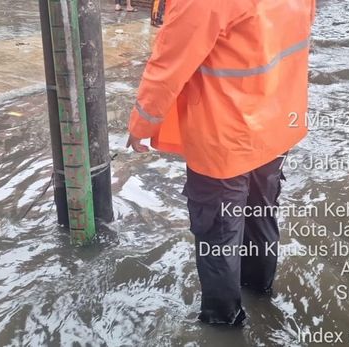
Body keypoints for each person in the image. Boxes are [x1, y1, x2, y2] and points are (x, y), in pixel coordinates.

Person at [126, 0, 316, 326]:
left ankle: (222, 325)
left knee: (219, 237)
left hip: (225, 139)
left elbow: (168, 65)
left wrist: (142, 124)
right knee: (260, 216)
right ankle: (260, 293)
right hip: (276, 124)